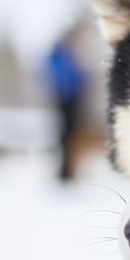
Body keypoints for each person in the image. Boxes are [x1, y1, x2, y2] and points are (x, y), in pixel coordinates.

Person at [46, 33, 85, 181]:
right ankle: (65, 172)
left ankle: (68, 170)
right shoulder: (59, 58)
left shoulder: (66, 57)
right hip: (66, 99)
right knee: (66, 136)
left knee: (71, 135)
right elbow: (65, 78)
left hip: (73, 99)